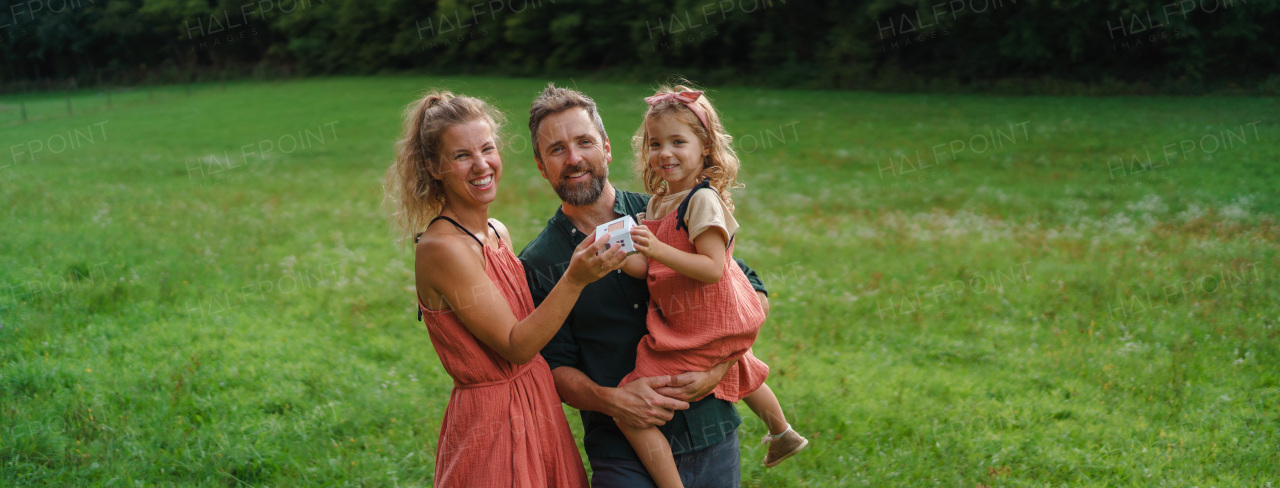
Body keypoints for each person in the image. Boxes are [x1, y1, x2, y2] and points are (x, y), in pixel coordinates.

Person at [518, 84, 768, 488]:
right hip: (623, 449)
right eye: (557, 149)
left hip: (709, 428)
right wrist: (614, 401)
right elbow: (554, 369)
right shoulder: (539, 262)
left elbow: (748, 291)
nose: (575, 158)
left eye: (584, 142)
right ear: (540, 165)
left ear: (607, 147)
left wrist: (716, 369)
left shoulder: (666, 209)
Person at [384, 90, 627, 487]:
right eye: (462, 156)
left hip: (538, 408)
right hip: (492, 423)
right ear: (434, 166)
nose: (481, 165)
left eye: (487, 149)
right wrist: (575, 277)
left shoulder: (497, 232)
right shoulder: (442, 248)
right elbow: (516, 346)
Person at [614, 85, 808, 487]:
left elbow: (712, 268)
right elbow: (650, 268)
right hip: (698, 321)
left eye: (677, 142)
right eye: (655, 143)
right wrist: (612, 259)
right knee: (740, 364)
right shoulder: (657, 203)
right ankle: (782, 432)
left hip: (702, 322)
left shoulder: (702, 201)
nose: (664, 153)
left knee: (627, 403)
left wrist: (657, 250)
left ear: (704, 147)